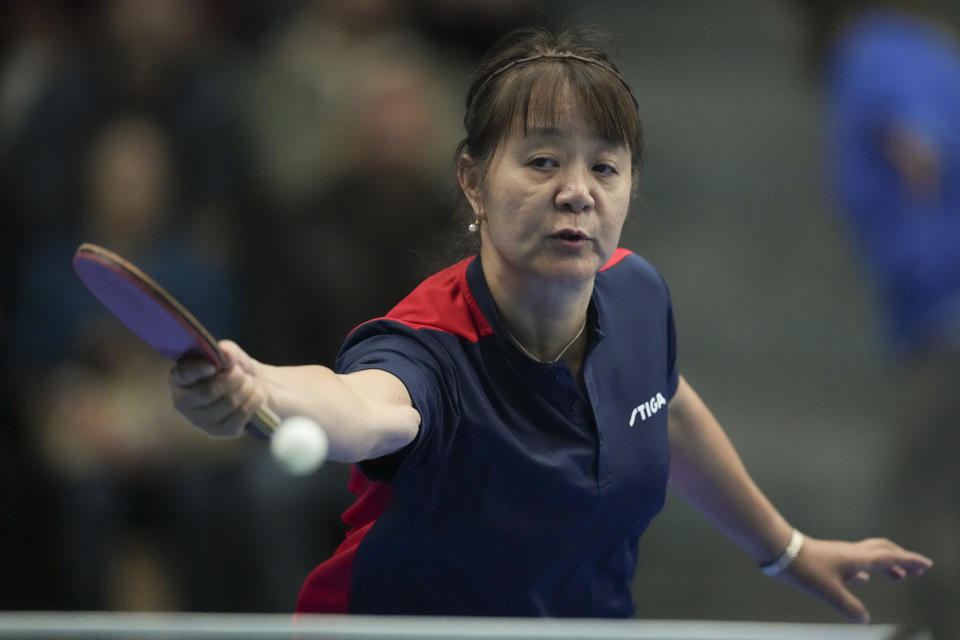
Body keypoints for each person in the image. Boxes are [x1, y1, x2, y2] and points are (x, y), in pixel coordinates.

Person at [170, 25, 932, 621]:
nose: (577, 192)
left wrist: (788, 551)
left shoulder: (634, 295)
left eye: (604, 167)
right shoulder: (430, 346)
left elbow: (662, 406)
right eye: (540, 162)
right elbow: (363, 408)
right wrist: (259, 387)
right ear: (473, 179)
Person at [797, 1, 960, 635]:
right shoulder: (915, 46)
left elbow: (919, 150)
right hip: (935, 320)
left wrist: (914, 246)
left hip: (948, 317)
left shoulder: (870, 52)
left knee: (929, 501)